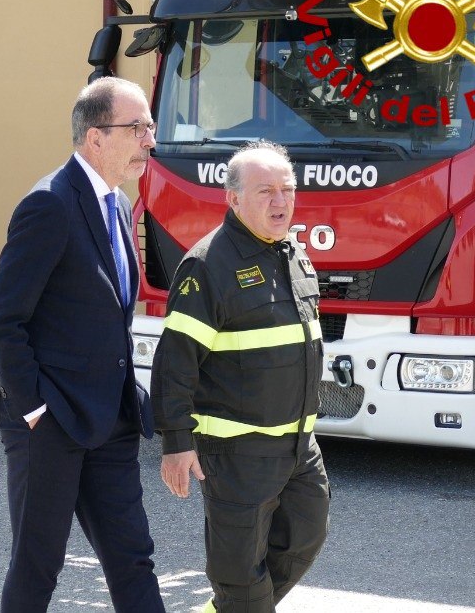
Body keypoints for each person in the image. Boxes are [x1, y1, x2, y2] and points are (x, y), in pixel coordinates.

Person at [0, 76, 165, 613]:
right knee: (39, 566)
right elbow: (3, 320)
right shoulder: (49, 205)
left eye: (149, 127)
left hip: (110, 419)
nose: (149, 140)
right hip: (52, 422)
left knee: (132, 557)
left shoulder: (115, 203)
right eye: (138, 128)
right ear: (95, 137)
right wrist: (36, 408)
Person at [153, 140, 330, 612]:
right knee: (240, 577)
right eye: (266, 191)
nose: (281, 201)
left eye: (287, 190)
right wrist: (176, 443)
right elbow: (174, 363)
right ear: (233, 199)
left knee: (304, 541)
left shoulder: (290, 253)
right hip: (237, 453)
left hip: (298, 445)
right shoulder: (209, 264)